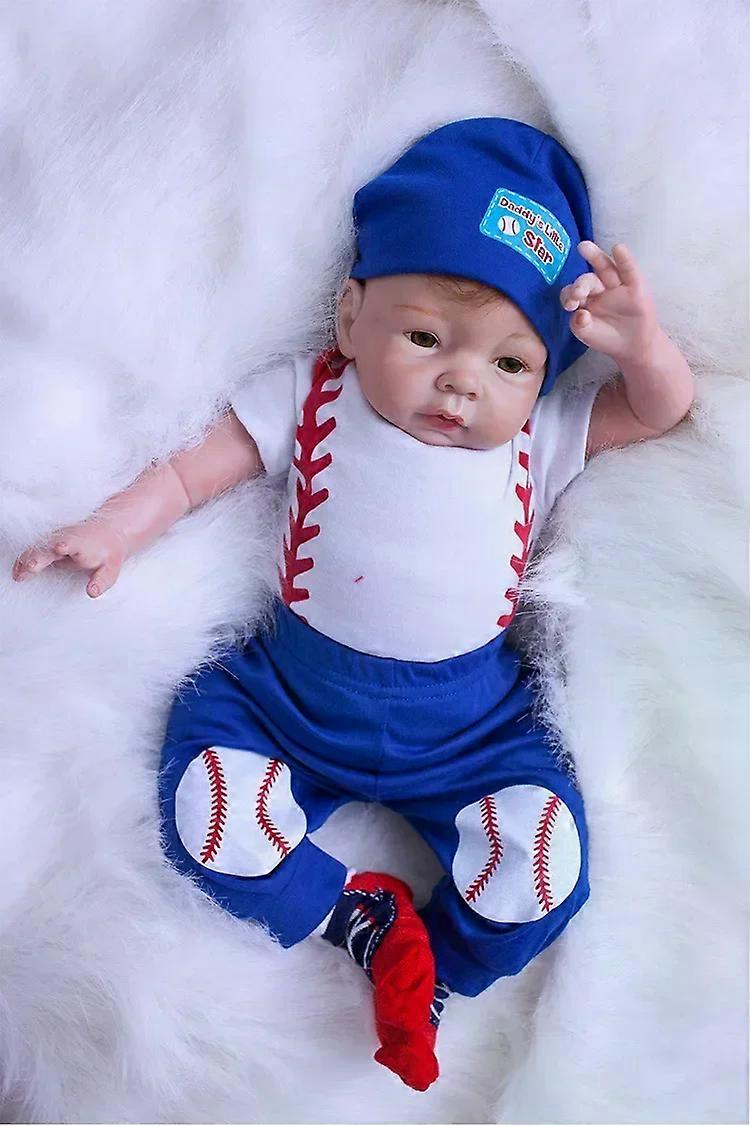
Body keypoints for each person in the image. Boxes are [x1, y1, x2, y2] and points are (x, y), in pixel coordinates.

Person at [13, 119, 694, 1091]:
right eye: (425, 337)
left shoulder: (537, 440)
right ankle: (356, 919)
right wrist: (117, 527)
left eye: (510, 363)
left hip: (470, 732)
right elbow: (197, 470)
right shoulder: (312, 395)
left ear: (545, 373)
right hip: (289, 703)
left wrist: (645, 346)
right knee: (206, 809)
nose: (463, 380)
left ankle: (436, 968)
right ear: (349, 317)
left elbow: (657, 409)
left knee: (544, 864)